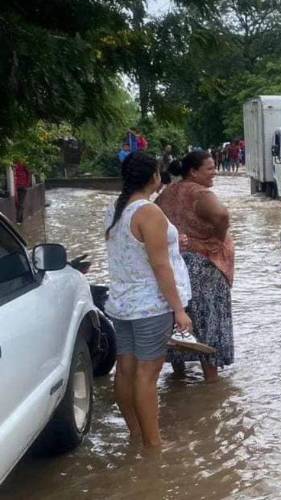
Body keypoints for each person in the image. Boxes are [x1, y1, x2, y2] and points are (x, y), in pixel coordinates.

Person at [103, 152, 193, 447]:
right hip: (150, 306)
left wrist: (174, 242)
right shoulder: (149, 212)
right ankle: (154, 446)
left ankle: (136, 435)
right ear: (153, 176)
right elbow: (160, 266)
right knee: (147, 374)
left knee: (125, 370)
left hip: (122, 303)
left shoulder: (115, 209)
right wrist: (179, 310)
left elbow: (133, 251)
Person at [157, 151, 235, 382]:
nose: (214, 172)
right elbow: (222, 215)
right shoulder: (200, 193)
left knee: (180, 317)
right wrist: (217, 239)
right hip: (204, 266)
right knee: (209, 318)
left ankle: (179, 375)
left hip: (176, 265)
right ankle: (211, 381)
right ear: (193, 171)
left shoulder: (167, 193)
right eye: (210, 168)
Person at [13, 160, 32, 224]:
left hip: (22, 187)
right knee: (17, 203)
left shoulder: (24, 165)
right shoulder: (14, 166)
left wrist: (26, 185)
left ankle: (18, 220)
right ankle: (20, 219)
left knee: (20, 204)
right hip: (16, 187)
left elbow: (28, 174)